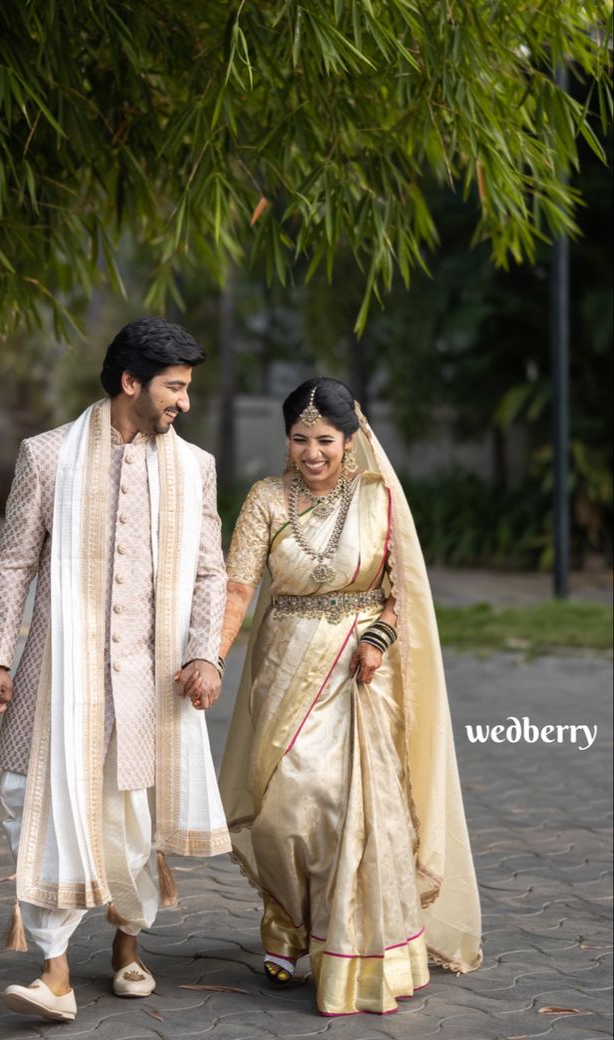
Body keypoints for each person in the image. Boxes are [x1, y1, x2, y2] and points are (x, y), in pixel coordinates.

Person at [0, 317, 230, 1023]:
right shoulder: (47, 455)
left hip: (150, 678)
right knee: (27, 798)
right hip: (56, 671)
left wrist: (204, 652)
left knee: (133, 813)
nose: (184, 402)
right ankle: (54, 969)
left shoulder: (192, 467)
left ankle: (127, 942)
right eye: (174, 387)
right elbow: (16, 560)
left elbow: (211, 571)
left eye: (186, 388)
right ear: (130, 382)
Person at [216, 377, 482, 1017]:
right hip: (283, 668)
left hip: (359, 674)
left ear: (350, 440)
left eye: (326, 440)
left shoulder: (377, 499)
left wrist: (378, 640)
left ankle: (359, 950)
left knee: (348, 808)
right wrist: (212, 658)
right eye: (300, 439)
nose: (312, 452)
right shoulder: (265, 501)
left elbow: (401, 592)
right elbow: (235, 590)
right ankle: (288, 919)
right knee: (284, 812)